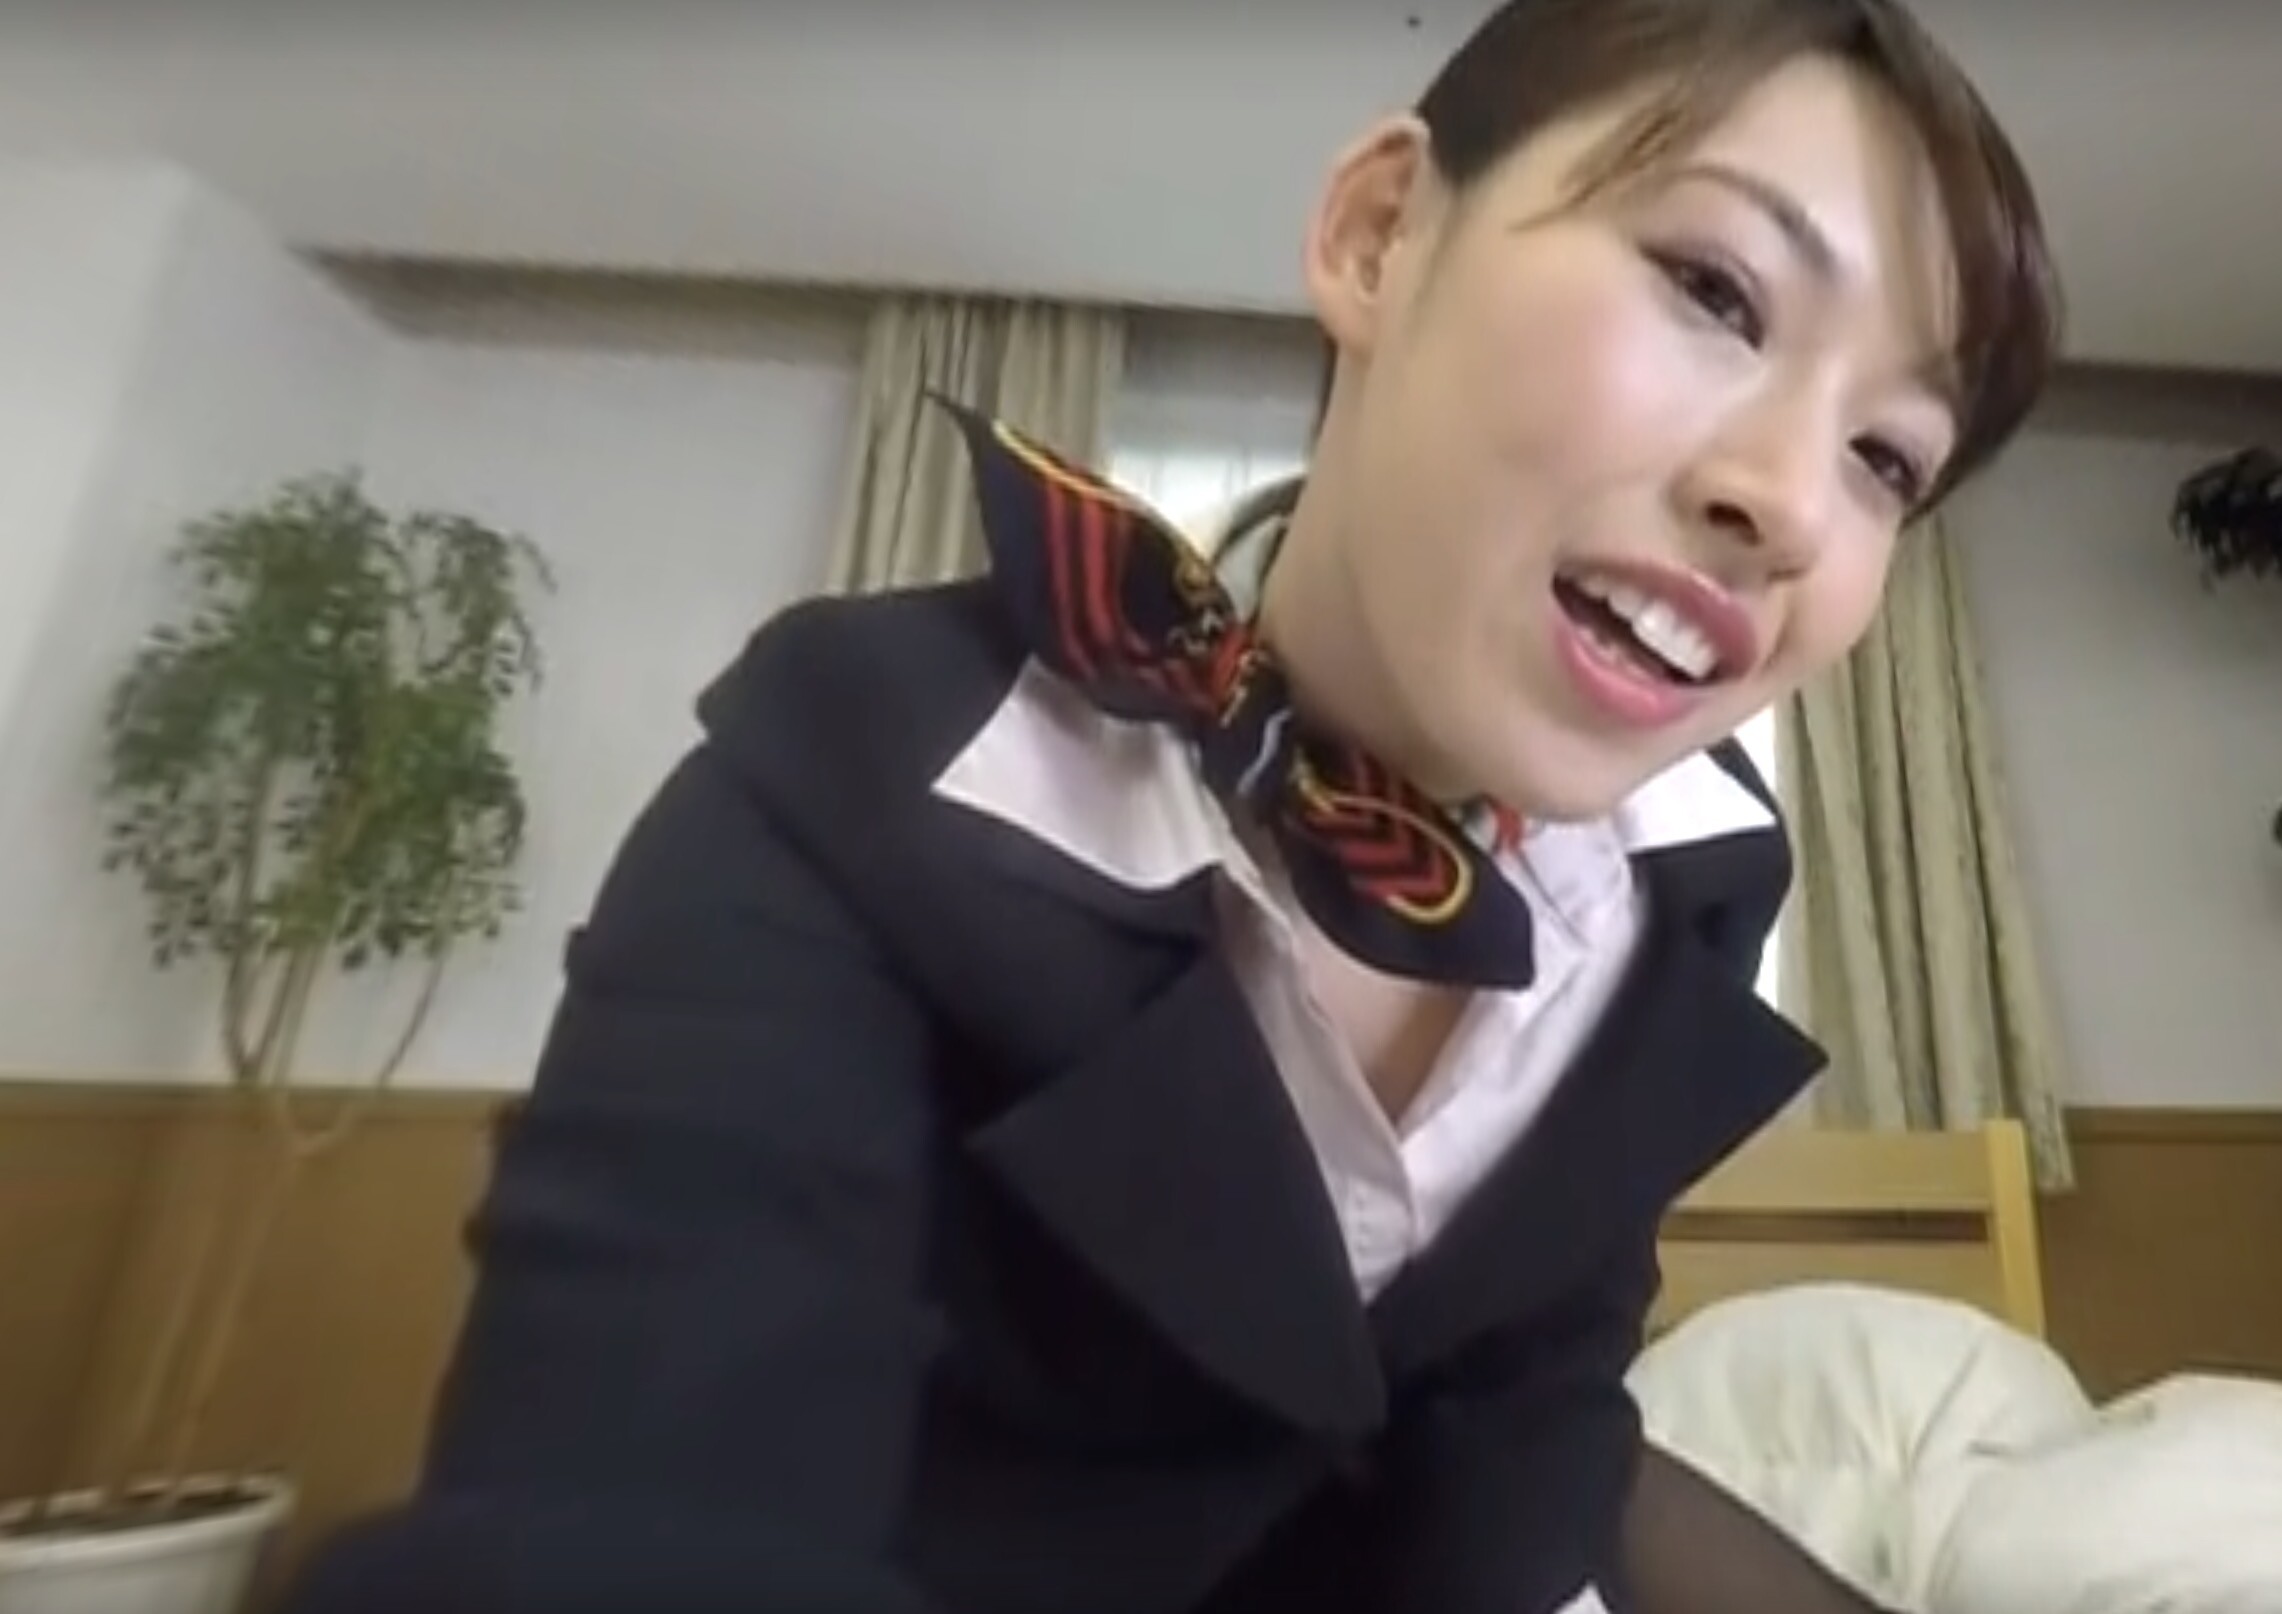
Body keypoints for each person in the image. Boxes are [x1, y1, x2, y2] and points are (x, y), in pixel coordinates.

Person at [272, 0, 2059, 1609]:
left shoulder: (1693, 875)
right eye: (1716, 292)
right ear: (1379, 235)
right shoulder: (853, 773)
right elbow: (627, 1517)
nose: (1792, 508)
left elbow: (1519, 1419)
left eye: (1886, 456)